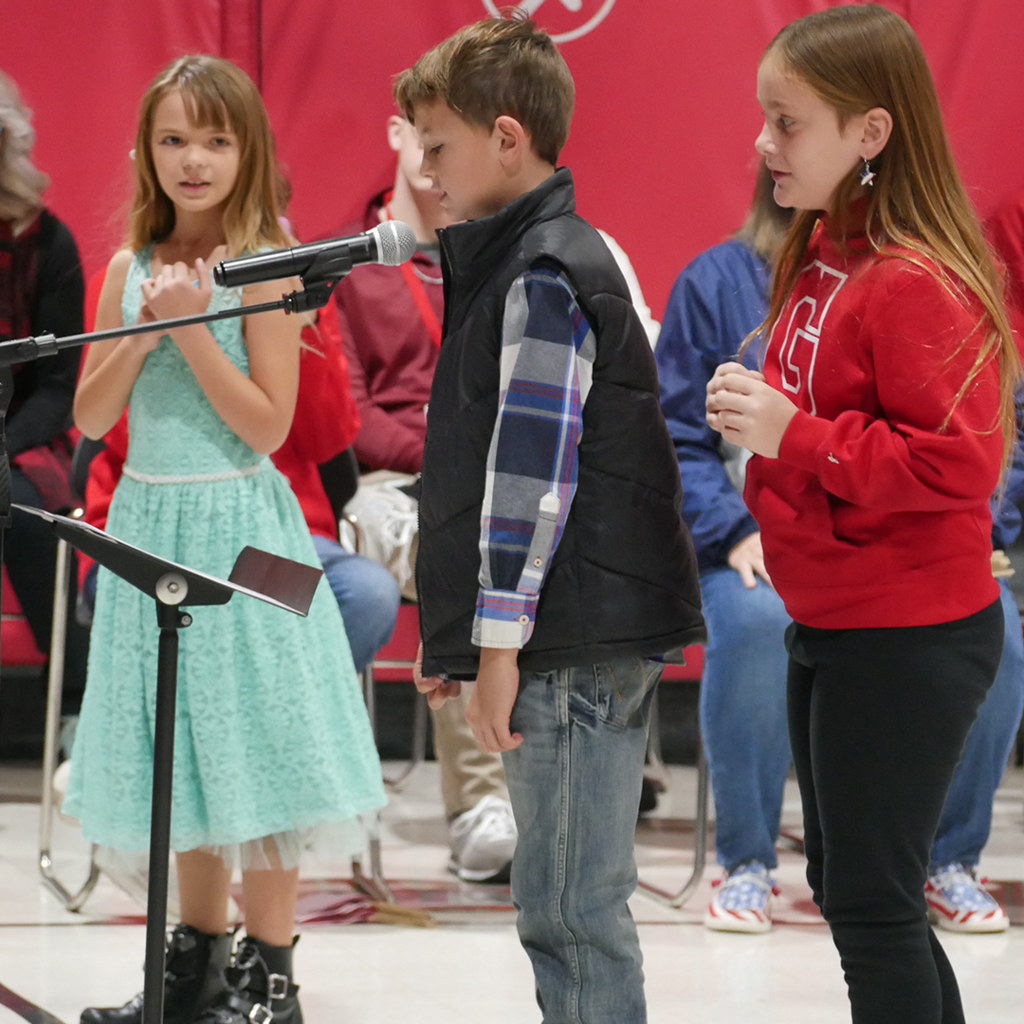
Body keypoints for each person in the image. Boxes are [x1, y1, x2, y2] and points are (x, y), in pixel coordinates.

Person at [706, 6, 1021, 1023]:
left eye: (787, 123)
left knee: (873, 906)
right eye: (764, 118)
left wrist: (789, 435)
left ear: (870, 134)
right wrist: (771, 439)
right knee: (859, 897)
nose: (762, 145)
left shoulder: (915, 281)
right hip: (838, 620)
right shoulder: (820, 246)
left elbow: (959, 465)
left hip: (908, 633)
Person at [64, 55, 385, 1024]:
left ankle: (269, 973)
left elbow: (268, 425)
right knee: (181, 748)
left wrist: (196, 329)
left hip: (247, 528)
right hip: (149, 526)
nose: (192, 159)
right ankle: (192, 966)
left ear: (247, 149)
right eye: (172, 139)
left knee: (261, 738)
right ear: (145, 152)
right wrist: (146, 327)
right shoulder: (127, 265)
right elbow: (88, 413)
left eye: (214, 138)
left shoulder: (270, 264)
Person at [398, 18, 705, 1024]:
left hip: (564, 642)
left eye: (436, 146)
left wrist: (495, 644)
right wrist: (459, 634)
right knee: (568, 908)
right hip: (565, 632)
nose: (424, 169)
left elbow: (530, 478)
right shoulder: (521, 258)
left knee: (571, 914)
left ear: (504, 137)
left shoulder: (544, 269)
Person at [329, 111, 518, 882]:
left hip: (490, 474)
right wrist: (448, 456)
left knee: (570, 531)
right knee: (461, 547)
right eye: (430, 142)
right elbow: (352, 419)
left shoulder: (495, 253)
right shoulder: (352, 265)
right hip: (389, 484)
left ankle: (587, 774)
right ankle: (481, 806)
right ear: (398, 135)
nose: (441, 163)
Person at [656, 162, 793, 932]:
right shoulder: (715, 281)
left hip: (875, 541)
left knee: (995, 640)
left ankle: (945, 862)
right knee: (755, 621)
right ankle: (746, 861)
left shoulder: (901, 277)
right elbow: (678, 437)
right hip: (744, 543)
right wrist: (735, 527)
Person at [0, 68, 89, 711]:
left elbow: (58, 388)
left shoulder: (51, 244)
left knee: (26, 516)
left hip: (23, 432)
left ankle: (78, 704)